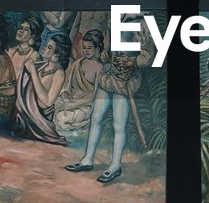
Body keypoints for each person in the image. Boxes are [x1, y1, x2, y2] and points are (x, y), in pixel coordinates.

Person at [65, 12, 153, 184]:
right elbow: (108, 46)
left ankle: (115, 165)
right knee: (96, 118)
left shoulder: (144, 23)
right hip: (109, 75)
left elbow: (148, 55)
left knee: (119, 124)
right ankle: (87, 159)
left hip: (125, 79)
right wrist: (105, 55)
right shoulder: (115, 18)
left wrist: (132, 62)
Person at [14, 28, 69, 144]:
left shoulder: (59, 73)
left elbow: (48, 102)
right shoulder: (41, 66)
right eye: (46, 45)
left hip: (41, 118)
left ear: (57, 55)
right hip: (26, 113)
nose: (44, 48)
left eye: (49, 47)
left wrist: (33, 72)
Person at [54, 29, 104, 135]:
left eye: (89, 48)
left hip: (86, 104)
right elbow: (67, 85)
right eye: (84, 47)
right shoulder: (78, 63)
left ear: (97, 49)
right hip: (71, 99)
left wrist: (74, 104)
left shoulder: (100, 68)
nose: (86, 51)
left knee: (62, 118)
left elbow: (95, 95)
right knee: (55, 105)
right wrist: (66, 96)